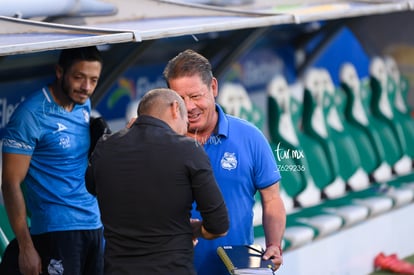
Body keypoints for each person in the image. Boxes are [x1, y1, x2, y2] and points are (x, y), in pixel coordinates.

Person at [163, 49, 286, 275]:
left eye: (196, 96)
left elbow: (272, 199)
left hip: (234, 269)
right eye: (180, 98)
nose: (189, 107)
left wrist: (274, 245)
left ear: (214, 88)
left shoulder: (250, 136)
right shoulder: (160, 143)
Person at [86, 88, 229, 275]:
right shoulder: (188, 150)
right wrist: (193, 228)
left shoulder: (105, 147)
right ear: (175, 109)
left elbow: (91, 186)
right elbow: (219, 226)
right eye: (185, 122)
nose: (185, 129)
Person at [1, 46, 104, 275]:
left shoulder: (83, 103)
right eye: (79, 77)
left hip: (94, 224)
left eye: (93, 80)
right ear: (60, 72)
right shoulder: (30, 115)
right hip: (56, 230)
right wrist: (25, 247)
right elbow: (10, 183)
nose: (86, 87)